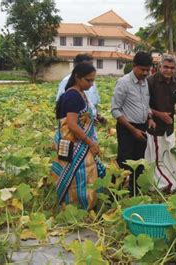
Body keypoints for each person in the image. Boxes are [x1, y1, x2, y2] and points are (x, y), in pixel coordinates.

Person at [51, 63, 105, 210]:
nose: (91, 84)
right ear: (77, 77)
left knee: (86, 173)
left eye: (93, 80)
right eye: (88, 80)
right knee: (79, 174)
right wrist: (90, 143)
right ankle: (74, 207)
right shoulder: (72, 96)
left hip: (79, 141)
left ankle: (86, 205)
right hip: (74, 143)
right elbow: (72, 125)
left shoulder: (81, 93)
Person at [111, 51, 156, 195]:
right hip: (127, 128)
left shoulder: (145, 83)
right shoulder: (123, 83)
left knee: (139, 163)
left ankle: (134, 193)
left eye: (148, 70)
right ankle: (114, 194)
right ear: (134, 66)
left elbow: (145, 104)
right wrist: (133, 130)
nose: (145, 73)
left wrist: (150, 118)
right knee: (124, 162)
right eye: (142, 69)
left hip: (142, 127)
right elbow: (115, 110)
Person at [145, 55, 176, 192]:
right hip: (154, 127)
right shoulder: (150, 82)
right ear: (159, 67)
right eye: (166, 67)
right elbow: (144, 106)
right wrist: (159, 115)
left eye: (172, 68)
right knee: (156, 158)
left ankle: (171, 183)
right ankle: (163, 186)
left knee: (169, 155)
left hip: (169, 126)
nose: (169, 70)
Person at [56, 54, 105, 123]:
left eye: (91, 65)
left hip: (90, 123)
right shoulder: (68, 85)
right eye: (87, 66)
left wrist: (97, 116)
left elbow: (94, 103)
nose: (90, 68)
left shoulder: (91, 82)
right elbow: (62, 107)